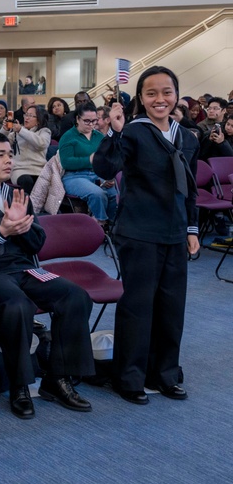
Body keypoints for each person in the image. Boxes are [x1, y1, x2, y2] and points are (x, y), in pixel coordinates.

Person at [0, 133, 95, 419]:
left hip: (25, 270)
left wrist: (24, 228)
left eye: (10, 154)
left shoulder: (16, 196)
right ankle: (19, 387)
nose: (8, 160)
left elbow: (38, 243)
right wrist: (0, 233)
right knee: (18, 306)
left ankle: (58, 378)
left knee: (75, 296)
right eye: (0, 154)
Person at [93, 66, 199, 404]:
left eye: (166, 92)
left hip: (175, 232)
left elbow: (191, 190)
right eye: (151, 93)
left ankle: (165, 374)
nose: (160, 99)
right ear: (140, 97)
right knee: (138, 307)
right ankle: (131, 377)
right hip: (139, 232)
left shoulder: (186, 136)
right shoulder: (134, 132)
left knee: (172, 306)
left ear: (176, 95)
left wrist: (192, 228)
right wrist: (115, 133)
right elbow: (106, 170)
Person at [60, 106, 117, 225]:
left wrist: (108, 176)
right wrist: (89, 160)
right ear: (77, 119)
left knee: (113, 194)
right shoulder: (68, 137)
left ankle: (112, 226)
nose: (91, 124)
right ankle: (99, 223)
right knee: (97, 194)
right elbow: (66, 162)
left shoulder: (99, 136)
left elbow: (106, 159)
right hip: (74, 176)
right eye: (87, 121)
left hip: (96, 174)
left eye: (94, 120)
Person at [6, 104, 51, 193]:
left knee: (43, 183)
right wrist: (5, 130)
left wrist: (21, 131)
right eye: (26, 115)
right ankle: (27, 206)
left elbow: (41, 144)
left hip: (38, 169)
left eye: (30, 116)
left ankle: (38, 207)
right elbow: (1, 143)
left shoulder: (44, 131)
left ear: (38, 120)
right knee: (26, 181)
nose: (26, 118)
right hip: (19, 169)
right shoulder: (17, 131)